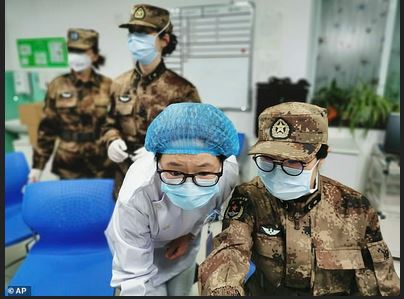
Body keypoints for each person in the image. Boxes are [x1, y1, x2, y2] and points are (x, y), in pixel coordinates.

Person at [199, 102, 400, 296]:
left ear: (322, 157)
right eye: (268, 160)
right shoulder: (250, 197)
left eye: (293, 162)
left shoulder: (354, 207)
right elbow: (228, 256)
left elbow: (382, 281)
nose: (278, 172)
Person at [105, 102, 240, 296]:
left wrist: (190, 234)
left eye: (203, 172)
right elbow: (133, 277)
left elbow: (211, 210)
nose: (189, 184)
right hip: (137, 245)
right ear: (156, 159)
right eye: (174, 171)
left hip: (182, 245)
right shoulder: (137, 192)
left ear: (221, 164)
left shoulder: (227, 174)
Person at [101, 4, 200, 199]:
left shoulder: (183, 90)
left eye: (143, 33)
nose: (135, 39)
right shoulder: (119, 84)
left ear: (164, 39)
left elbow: (195, 139)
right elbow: (108, 123)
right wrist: (112, 141)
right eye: (132, 33)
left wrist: (160, 153)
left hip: (165, 187)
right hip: (125, 183)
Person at [29, 28, 113, 182]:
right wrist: (37, 166)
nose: (75, 56)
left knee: (102, 204)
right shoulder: (57, 86)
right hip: (68, 165)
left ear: (94, 55)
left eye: (81, 51)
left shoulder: (108, 85)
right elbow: (46, 129)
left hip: (102, 164)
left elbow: (116, 124)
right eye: (72, 51)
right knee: (70, 205)